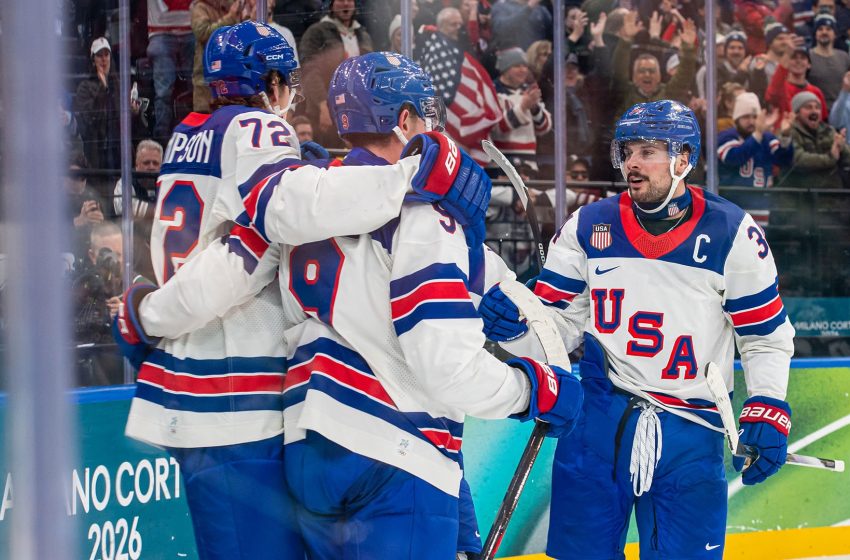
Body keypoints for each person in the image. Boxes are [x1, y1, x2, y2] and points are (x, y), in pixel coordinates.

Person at [117, 52, 582, 560]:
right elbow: (444, 367)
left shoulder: (310, 198)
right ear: (404, 121)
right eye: (424, 115)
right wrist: (534, 390)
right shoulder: (427, 208)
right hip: (395, 457)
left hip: (307, 449)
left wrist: (148, 314)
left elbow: (228, 272)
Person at [478, 100, 796, 558]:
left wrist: (768, 403)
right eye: (627, 151)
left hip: (692, 429)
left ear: (683, 160)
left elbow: (765, 335)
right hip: (596, 423)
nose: (632, 163)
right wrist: (515, 331)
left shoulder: (732, 233)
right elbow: (559, 333)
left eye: (648, 151)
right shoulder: (589, 225)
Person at [718, 91, 794, 188]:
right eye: (746, 117)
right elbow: (734, 158)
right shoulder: (725, 137)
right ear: (737, 119)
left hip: (763, 199)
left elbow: (784, 161)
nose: (752, 121)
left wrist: (785, 135)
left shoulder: (767, 138)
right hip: (732, 199)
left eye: (755, 117)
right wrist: (757, 134)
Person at [782, 90, 850, 188]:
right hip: (800, 196)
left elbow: (847, 160)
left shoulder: (829, 131)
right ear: (797, 113)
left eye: (817, 108)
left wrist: (842, 147)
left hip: (831, 196)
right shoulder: (788, 132)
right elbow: (798, 160)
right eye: (808, 107)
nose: (814, 111)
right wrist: (831, 158)